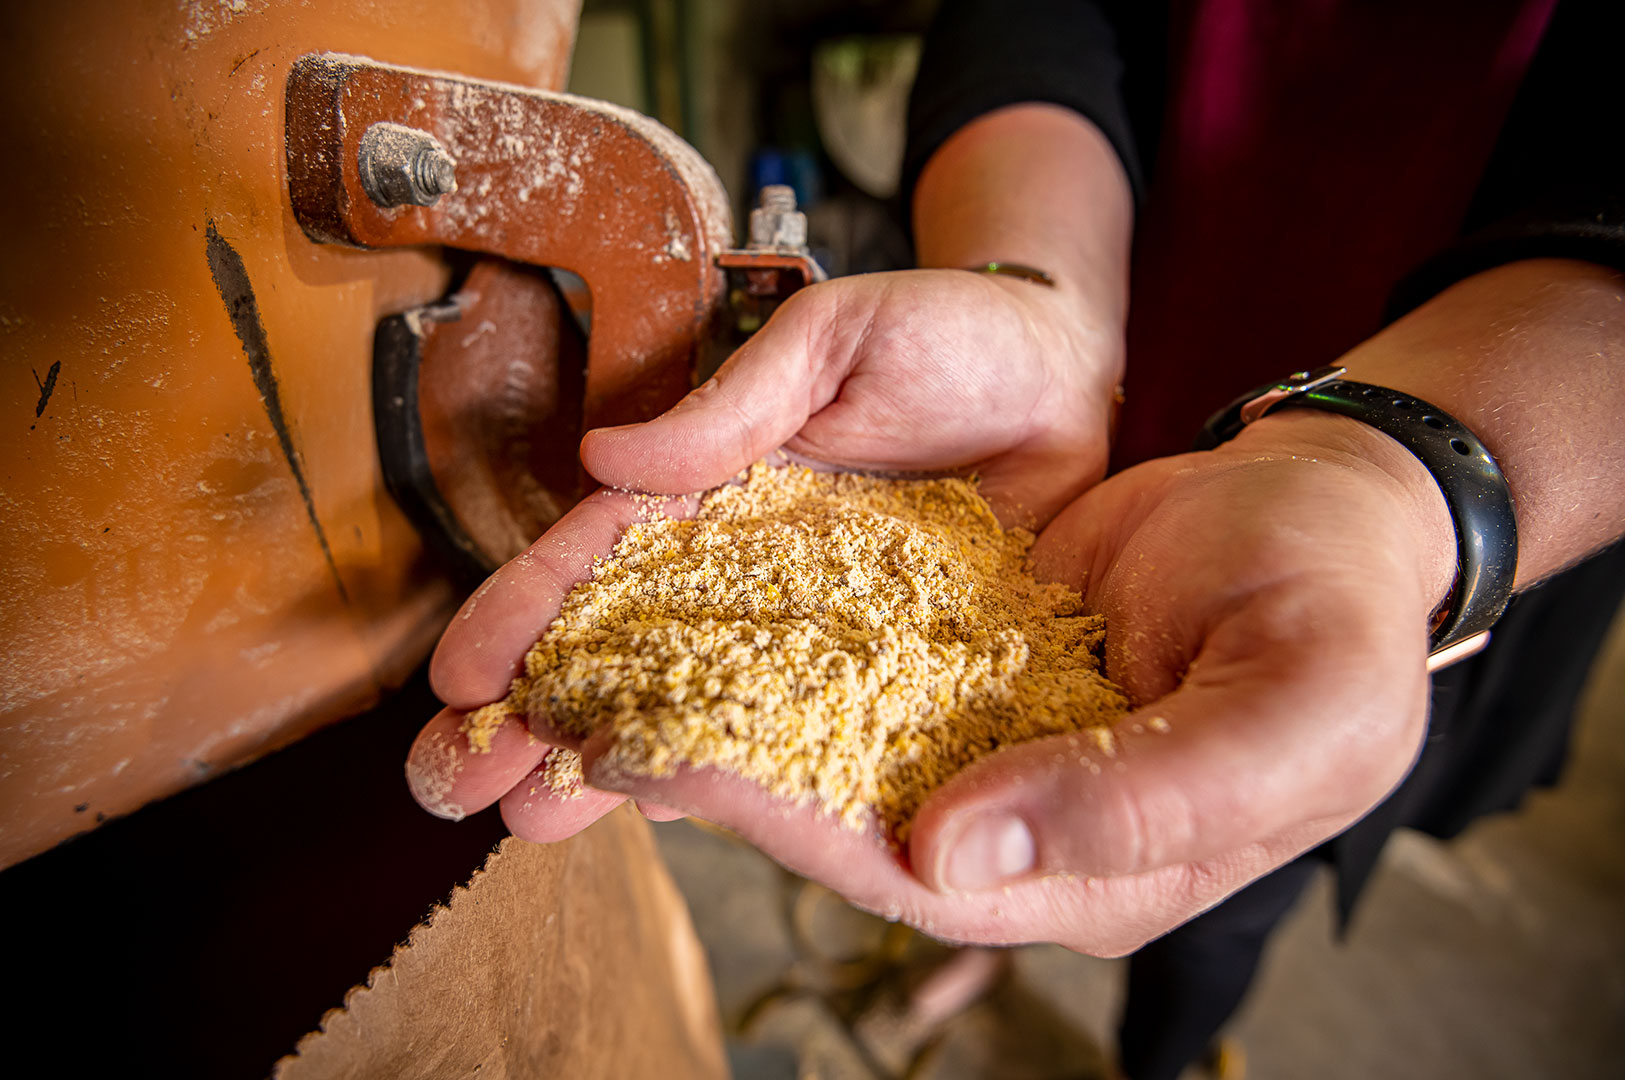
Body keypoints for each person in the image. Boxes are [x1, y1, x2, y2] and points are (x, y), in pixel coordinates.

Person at [408, 2, 1625, 1076]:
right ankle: (983, 960)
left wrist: (1383, 473)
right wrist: (1035, 294)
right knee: (945, 803)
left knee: (1239, 832)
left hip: (1492, 415)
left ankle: (1166, 1050)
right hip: (1084, 365)